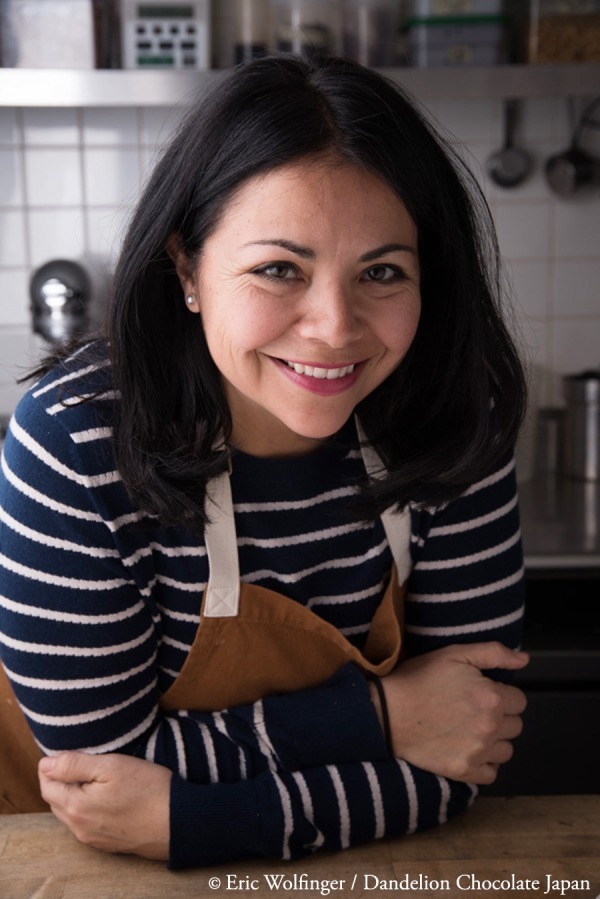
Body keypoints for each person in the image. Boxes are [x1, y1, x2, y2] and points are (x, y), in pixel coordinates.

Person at [0, 54, 529, 868]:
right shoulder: (77, 441)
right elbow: (96, 781)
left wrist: (198, 819)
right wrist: (380, 719)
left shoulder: (455, 419)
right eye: (279, 268)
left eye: (381, 271)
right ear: (188, 268)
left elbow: (467, 745)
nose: (333, 326)